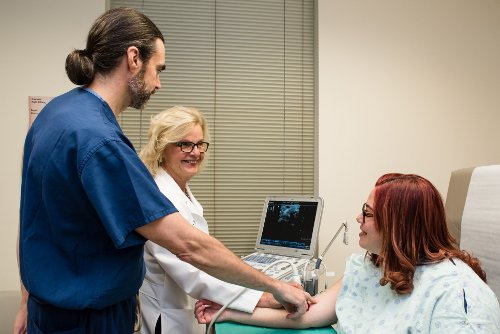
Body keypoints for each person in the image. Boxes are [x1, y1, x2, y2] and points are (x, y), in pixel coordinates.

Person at [15, 7, 312, 334]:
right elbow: (189, 246)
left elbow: (32, 223)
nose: (158, 83)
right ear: (133, 58)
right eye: (158, 69)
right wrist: (275, 287)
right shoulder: (100, 142)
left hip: (49, 312)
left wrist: (26, 300)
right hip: (89, 320)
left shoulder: (54, 115)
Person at [195, 173, 500, 333]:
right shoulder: (370, 265)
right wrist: (227, 312)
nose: (358, 219)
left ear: (398, 226)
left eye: (367, 213)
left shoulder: (456, 297)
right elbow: (313, 315)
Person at [138, 106, 282, 334]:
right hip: (168, 320)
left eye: (199, 144)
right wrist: (263, 297)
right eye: (184, 144)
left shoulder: (180, 190)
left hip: (189, 311)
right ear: (162, 148)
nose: (195, 152)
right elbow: (193, 272)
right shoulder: (158, 196)